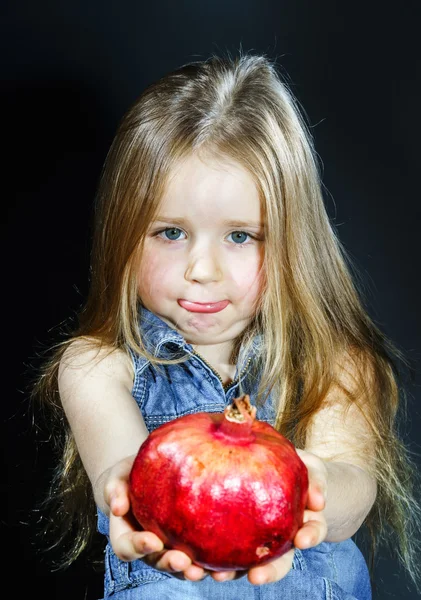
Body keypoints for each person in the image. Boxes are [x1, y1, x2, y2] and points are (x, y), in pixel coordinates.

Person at [32, 52, 421, 600]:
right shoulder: (96, 367)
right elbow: (117, 466)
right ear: (123, 232)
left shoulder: (337, 363)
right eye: (170, 233)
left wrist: (312, 485)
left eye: (240, 236)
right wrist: (128, 493)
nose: (202, 270)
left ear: (290, 243)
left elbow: (354, 490)